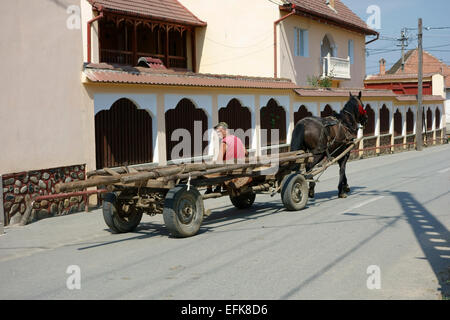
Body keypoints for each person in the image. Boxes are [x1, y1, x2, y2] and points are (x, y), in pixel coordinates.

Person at [205, 122, 248, 194]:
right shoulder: (237, 139)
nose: (218, 134)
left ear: (226, 130)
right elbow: (246, 152)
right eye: (217, 132)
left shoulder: (224, 142)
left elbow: (219, 160)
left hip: (230, 170)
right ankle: (217, 186)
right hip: (240, 168)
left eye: (219, 131)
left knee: (209, 170)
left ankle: (210, 188)